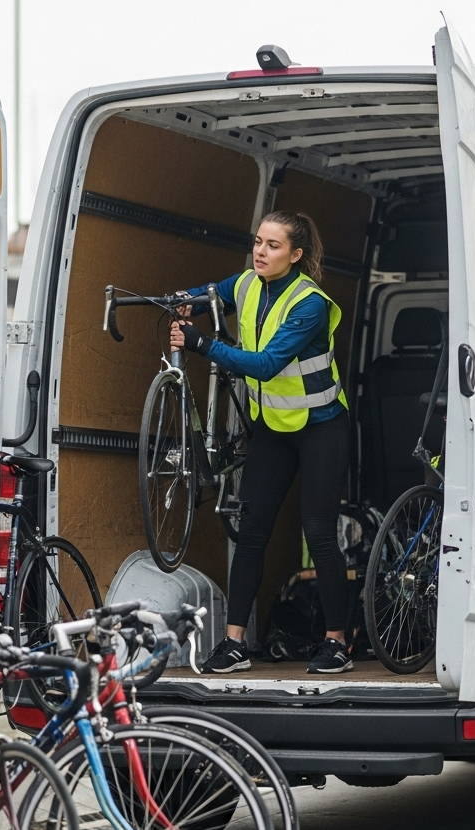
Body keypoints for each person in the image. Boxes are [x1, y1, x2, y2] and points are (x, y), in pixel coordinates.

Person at [169, 211, 352, 674]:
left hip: (320, 425)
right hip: (272, 425)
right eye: (257, 242)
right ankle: (234, 644)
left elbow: (267, 364)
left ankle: (337, 643)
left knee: (319, 533)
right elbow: (214, 292)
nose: (260, 252)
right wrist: (183, 300)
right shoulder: (249, 283)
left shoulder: (309, 303)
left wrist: (202, 344)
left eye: (272, 246)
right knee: (252, 532)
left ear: (296, 255)